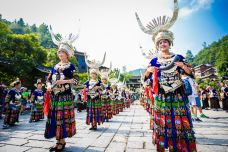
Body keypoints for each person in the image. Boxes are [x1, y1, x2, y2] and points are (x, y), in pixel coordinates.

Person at [136, 0, 197, 151]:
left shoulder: (179, 57)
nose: (163, 44)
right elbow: (145, 79)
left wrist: (183, 66)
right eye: (160, 42)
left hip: (177, 94)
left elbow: (192, 74)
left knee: (180, 121)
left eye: (165, 41)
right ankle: (165, 145)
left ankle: (179, 146)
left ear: (170, 43)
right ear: (156, 45)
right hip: (161, 95)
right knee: (163, 121)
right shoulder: (154, 60)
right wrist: (148, 72)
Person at [44, 26, 79, 151]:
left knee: (62, 118)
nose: (60, 54)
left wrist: (64, 81)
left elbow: (76, 80)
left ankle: (62, 141)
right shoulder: (54, 66)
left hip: (65, 96)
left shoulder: (71, 66)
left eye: (62, 52)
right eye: (59, 52)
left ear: (67, 54)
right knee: (55, 118)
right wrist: (48, 86)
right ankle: (58, 141)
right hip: (55, 95)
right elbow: (48, 79)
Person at [84, 52, 106, 130]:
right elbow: (83, 88)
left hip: (96, 98)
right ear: (90, 74)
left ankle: (95, 125)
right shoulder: (88, 81)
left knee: (96, 111)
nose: (93, 75)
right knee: (91, 111)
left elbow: (103, 89)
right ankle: (92, 125)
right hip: (90, 98)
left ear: (96, 75)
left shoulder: (99, 81)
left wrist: (98, 87)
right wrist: (86, 89)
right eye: (92, 74)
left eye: (94, 74)